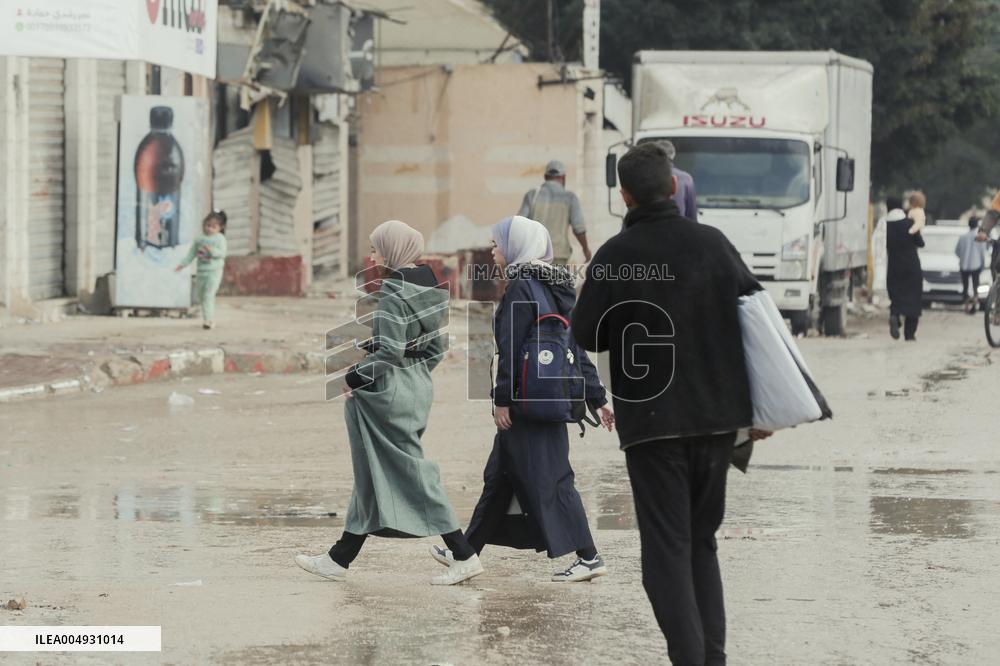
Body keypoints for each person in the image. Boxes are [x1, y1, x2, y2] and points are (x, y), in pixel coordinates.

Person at [571, 142, 771, 664]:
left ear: (624, 195)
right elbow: (758, 321)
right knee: (701, 543)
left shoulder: (615, 256)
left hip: (653, 428)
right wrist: (761, 411)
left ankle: (690, 658)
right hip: (717, 422)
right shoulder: (714, 243)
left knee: (665, 552)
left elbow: (587, 334)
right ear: (675, 187)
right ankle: (712, 658)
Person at [295, 220, 483, 586]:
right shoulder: (431, 291)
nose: (372, 255)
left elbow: (389, 353)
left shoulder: (394, 296)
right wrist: (413, 375)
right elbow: (435, 350)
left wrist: (353, 377)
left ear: (393, 252)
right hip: (414, 387)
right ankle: (340, 557)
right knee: (370, 472)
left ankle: (464, 554)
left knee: (412, 473)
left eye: (376, 249)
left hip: (387, 394)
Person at [433, 215, 615, 582]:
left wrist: (501, 399)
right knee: (499, 479)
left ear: (517, 247)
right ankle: (466, 552)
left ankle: (590, 556)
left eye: (498, 244)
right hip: (550, 400)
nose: (493, 250)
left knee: (554, 481)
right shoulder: (556, 287)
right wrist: (597, 397)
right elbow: (575, 349)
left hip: (526, 406)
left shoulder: (521, 287)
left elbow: (510, 350)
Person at [518, 160, 592, 266]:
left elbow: (519, 225)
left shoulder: (532, 195)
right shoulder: (570, 198)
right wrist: (586, 250)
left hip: (534, 256)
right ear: (563, 177)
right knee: (556, 282)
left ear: (545, 176)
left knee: (536, 283)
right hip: (558, 256)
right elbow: (579, 229)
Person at [175, 210, 228, 330]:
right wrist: (182, 264)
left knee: (208, 295)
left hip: (213, 273)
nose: (209, 229)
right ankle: (207, 318)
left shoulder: (220, 239)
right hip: (201, 272)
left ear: (220, 228)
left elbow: (223, 254)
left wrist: (212, 251)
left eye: (213, 227)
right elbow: (191, 253)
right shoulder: (199, 239)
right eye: (207, 225)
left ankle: (208, 320)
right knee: (201, 296)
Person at [885, 196, 925, 341]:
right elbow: (920, 243)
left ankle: (895, 315)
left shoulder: (885, 226)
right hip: (911, 267)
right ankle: (909, 334)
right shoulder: (910, 224)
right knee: (913, 299)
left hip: (894, 267)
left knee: (896, 296)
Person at [658, 140, 698, 220]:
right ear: (673, 155)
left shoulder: (645, 176)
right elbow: (691, 214)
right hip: (679, 228)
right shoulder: (685, 178)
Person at [956, 217, 986, 314]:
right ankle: (974, 305)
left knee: (965, 286)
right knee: (975, 286)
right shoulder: (980, 237)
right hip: (976, 264)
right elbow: (982, 252)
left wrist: (963, 257)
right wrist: (983, 263)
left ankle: (966, 306)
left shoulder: (963, 237)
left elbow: (957, 251)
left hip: (964, 265)